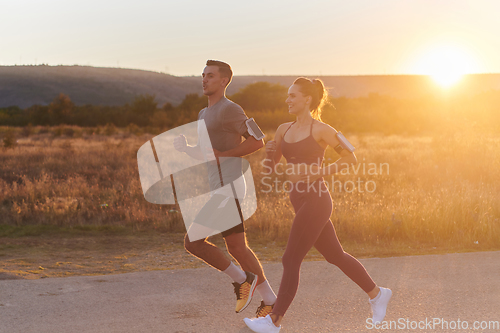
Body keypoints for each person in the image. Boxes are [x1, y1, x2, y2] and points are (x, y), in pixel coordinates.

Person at [244, 78, 392, 332]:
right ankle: (377, 294)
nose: (287, 100)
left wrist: (321, 171)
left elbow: (350, 158)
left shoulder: (322, 130)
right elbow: (271, 168)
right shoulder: (283, 130)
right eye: (287, 96)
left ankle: (274, 320)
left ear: (307, 99)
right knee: (335, 255)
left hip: (316, 199)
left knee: (290, 259)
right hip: (298, 198)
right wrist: (269, 154)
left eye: (292, 96)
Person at [173, 60, 277, 317]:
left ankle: (243, 280)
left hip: (229, 187)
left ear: (223, 81)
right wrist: (187, 149)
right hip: (220, 188)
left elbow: (258, 140)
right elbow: (210, 155)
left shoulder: (230, 109)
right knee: (237, 248)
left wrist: (226, 155)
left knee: (193, 242)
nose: (204, 79)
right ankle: (271, 300)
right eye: (203, 75)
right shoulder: (202, 113)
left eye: (210, 76)